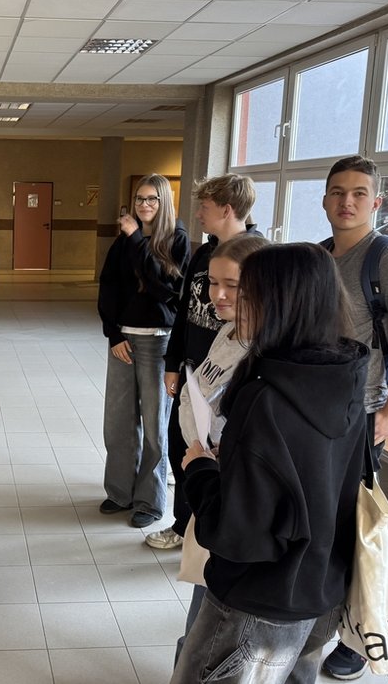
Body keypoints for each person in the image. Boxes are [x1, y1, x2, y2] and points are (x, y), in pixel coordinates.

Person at [171, 243, 369, 684]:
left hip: (257, 596)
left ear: (278, 302)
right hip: (321, 584)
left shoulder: (265, 396)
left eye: (247, 292)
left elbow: (237, 533)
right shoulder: (346, 375)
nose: (232, 302)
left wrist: (200, 470)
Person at [319, 155, 388, 679]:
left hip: (363, 415)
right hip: (318, 412)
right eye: (338, 192)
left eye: (359, 193)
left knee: (357, 527)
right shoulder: (319, 256)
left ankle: (360, 640)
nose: (347, 201)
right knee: (325, 522)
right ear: (324, 199)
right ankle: (326, 615)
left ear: (376, 202)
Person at [164, 234, 267, 663]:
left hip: (231, 496)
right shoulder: (229, 331)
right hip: (207, 482)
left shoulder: (263, 351)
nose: (217, 295)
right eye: (212, 283)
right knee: (202, 597)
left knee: (212, 618)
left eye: (232, 285)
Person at [147, 173, 258, 550]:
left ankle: (207, 530)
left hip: (229, 379)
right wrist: (173, 363)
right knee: (182, 445)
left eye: (205, 208)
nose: (197, 214)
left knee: (212, 452)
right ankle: (183, 526)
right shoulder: (204, 253)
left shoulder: (258, 256)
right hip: (196, 370)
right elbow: (183, 314)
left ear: (227, 209)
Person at [96, 174, 189, 528]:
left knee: (154, 425)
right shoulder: (123, 243)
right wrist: (113, 334)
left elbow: (164, 288)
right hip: (123, 340)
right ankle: (120, 491)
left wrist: (137, 239)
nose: (144, 205)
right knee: (118, 421)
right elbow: (109, 288)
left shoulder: (175, 240)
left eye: (152, 199)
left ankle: (150, 500)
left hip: (158, 341)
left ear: (164, 202)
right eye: (139, 199)